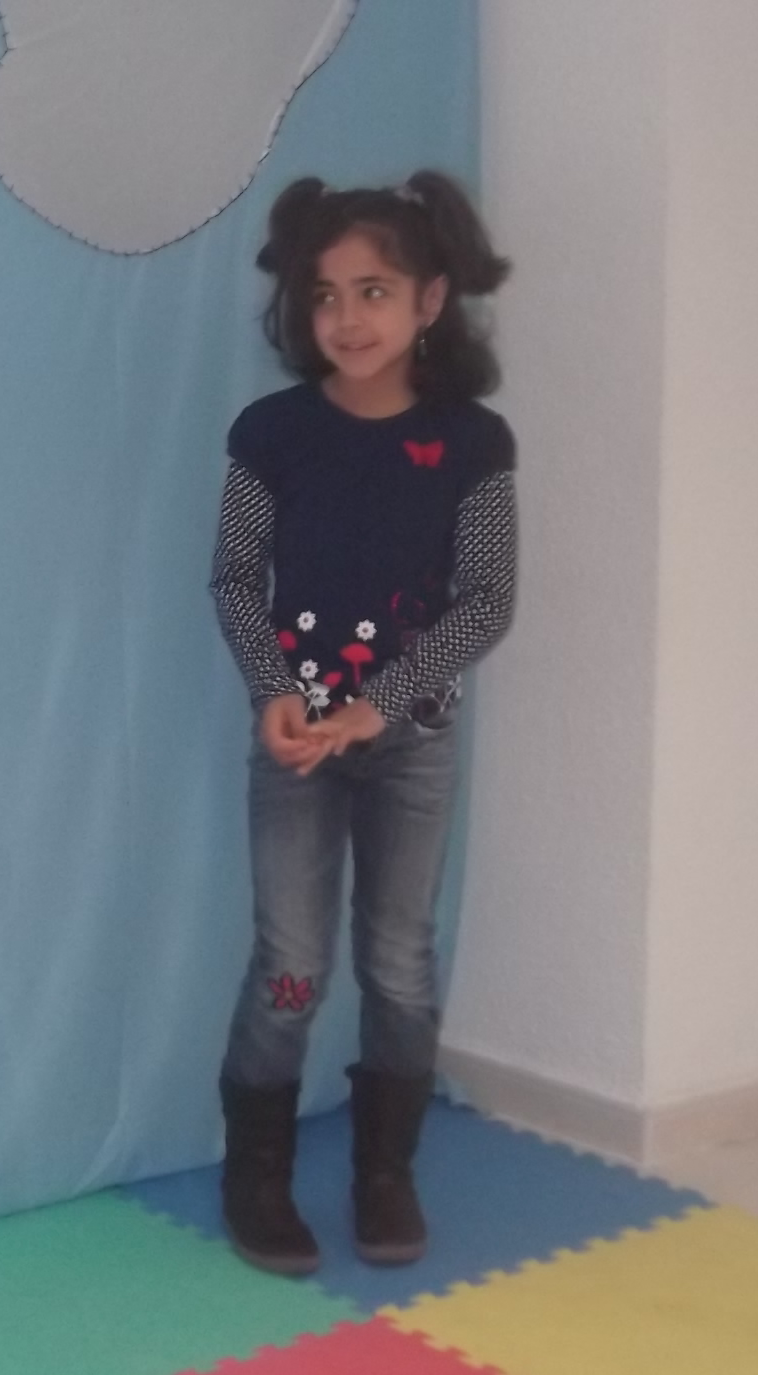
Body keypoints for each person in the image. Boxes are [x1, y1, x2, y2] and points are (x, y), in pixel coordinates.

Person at [207, 170, 516, 1278]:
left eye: (373, 290)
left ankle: (385, 1172)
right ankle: (256, 1175)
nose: (346, 317)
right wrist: (275, 690)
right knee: (290, 967)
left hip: (410, 748)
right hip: (296, 746)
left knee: (398, 965)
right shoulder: (271, 433)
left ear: (429, 300)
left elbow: (487, 599)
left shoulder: (473, 443)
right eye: (325, 293)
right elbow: (235, 577)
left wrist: (377, 705)